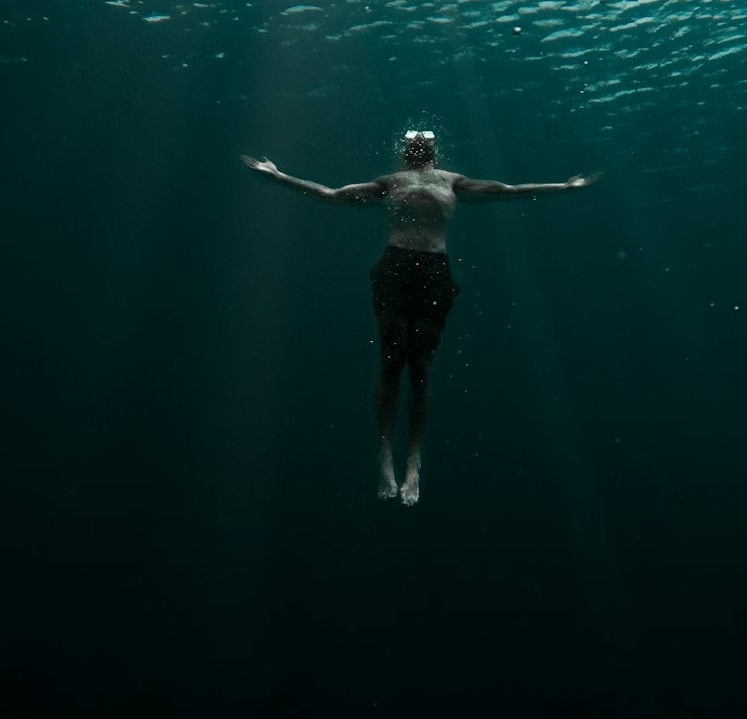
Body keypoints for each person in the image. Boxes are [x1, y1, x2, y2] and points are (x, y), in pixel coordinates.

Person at [240, 132, 603, 506]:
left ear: (433, 149)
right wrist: (280, 176)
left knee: (422, 366)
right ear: (403, 149)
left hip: (433, 269)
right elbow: (333, 195)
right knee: (391, 362)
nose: (419, 140)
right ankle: (384, 457)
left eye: (425, 136)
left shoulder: (451, 180)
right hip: (395, 266)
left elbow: (507, 190)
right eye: (413, 137)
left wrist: (563, 186)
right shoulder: (390, 183)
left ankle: (413, 463)